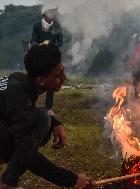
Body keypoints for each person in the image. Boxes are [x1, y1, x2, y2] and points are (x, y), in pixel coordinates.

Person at [0, 44, 92, 189]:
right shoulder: (18, 94)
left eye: (63, 71)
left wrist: (55, 123)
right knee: (41, 120)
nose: (64, 78)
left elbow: (24, 114)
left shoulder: (20, 81)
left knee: (44, 119)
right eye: (57, 75)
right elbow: (26, 152)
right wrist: (71, 180)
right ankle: (7, 183)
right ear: (41, 80)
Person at [31, 7, 63, 111]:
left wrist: (51, 45)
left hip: (52, 57)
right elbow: (33, 41)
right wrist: (40, 45)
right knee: (34, 80)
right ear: (44, 15)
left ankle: (48, 107)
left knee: (51, 80)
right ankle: (31, 103)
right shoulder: (37, 26)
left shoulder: (57, 26)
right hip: (39, 57)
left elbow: (60, 42)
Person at [129, 34, 140, 98]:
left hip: (137, 65)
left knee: (136, 79)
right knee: (136, 80)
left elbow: (137, 56)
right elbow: (134, 56)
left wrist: (133, 64)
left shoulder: (139, 46)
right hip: (136, 65)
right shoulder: (138, 46)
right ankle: (136, 94)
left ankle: (137, 94)